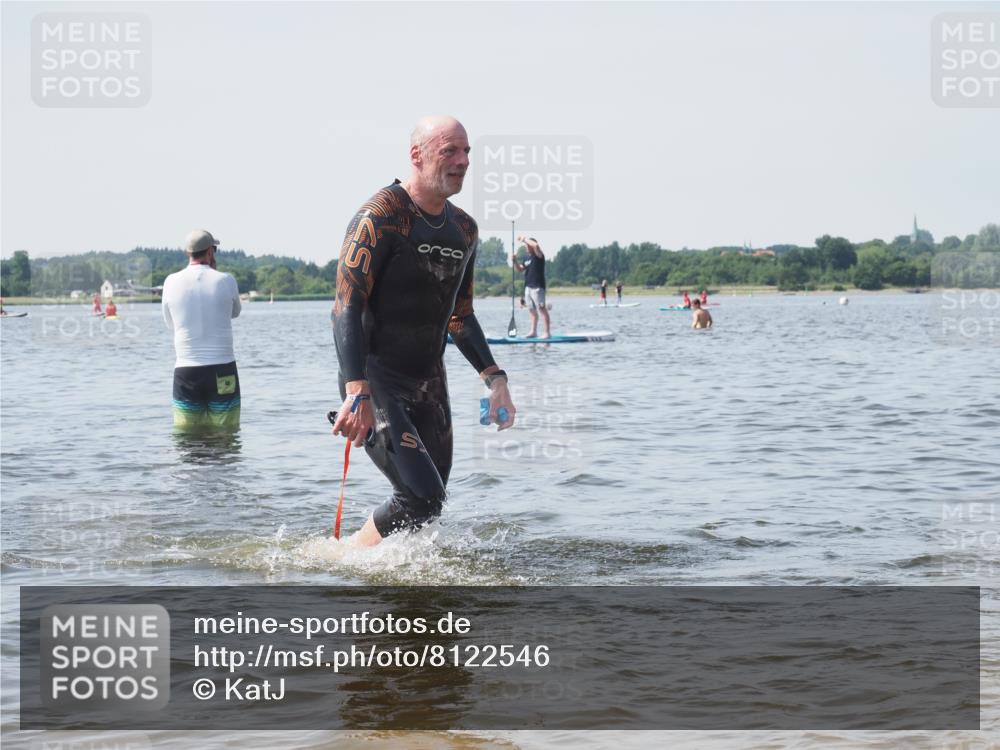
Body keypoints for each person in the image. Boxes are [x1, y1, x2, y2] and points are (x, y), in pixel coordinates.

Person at [331, 115, 516, 547]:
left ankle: (401, 589)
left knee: (427, 508)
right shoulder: (381, 216)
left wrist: (495, 378)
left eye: (467, 151)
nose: (463, 161)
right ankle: (343, 561)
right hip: (376, 380)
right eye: (450, 150)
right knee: (423, 496)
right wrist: (357, 390)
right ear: (417, 155)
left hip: (429, 382)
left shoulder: (464, 230)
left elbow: (461, 315)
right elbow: (346, 305)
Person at [162, 230, 242, 430]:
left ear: (188, 253)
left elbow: (169, 322)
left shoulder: (170, 281)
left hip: (186, 371)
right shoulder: (226, 280)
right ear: (209, 252)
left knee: (186, 435)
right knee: (227, 433)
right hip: (223, 369)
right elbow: (235, 312)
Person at [511, 235, 550, 339]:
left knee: (541, 309)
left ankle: (547, 332)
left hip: (538, 287)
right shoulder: (527, 258)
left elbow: (536, 245)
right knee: (531, 310)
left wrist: (524, 239)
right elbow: (520, 269)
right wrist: (514, 261)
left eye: (528, 245)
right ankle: (533, 332)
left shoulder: (539, 255)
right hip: (528, 286)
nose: (527, 247)